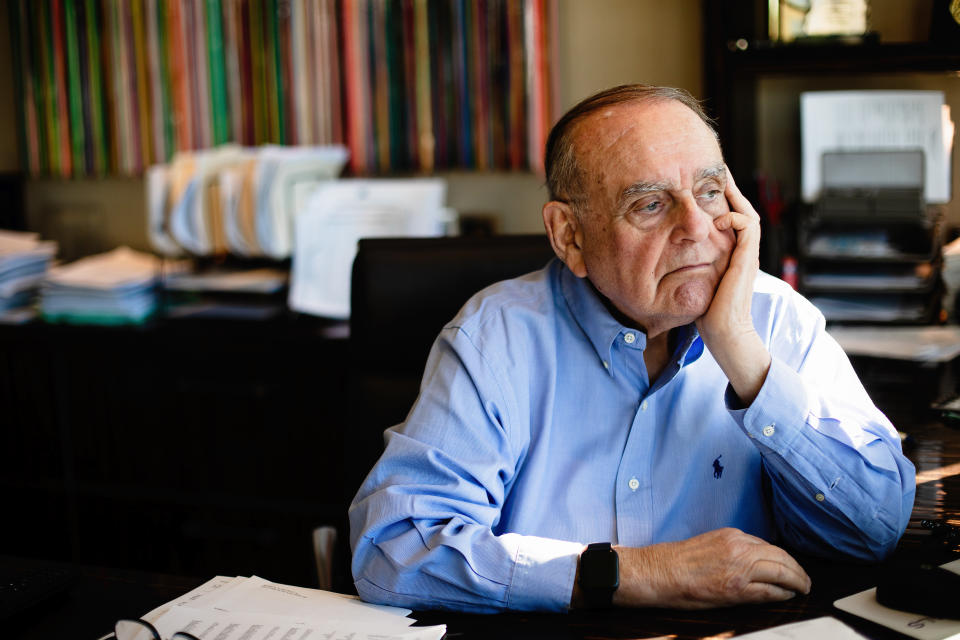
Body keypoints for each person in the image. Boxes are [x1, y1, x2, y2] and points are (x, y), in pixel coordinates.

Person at [348, 84, 916, 613]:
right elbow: (392, 552)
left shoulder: (773, 318)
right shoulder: (495, 338)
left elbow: (874, 530)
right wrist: (637, 574)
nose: (697, 227)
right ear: (570, 235)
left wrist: (743, 354)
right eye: (649, 204)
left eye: (710, 191)